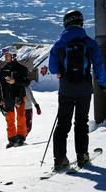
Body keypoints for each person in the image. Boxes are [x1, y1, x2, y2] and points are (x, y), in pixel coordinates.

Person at [48, 10, 106, 171]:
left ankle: (59, 159)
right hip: (84, 89)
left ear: (65, 23)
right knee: (81, 122)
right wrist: (103, 83)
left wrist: (61, 70)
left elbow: (52, 68)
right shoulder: (89, 42)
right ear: (81, 23)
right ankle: (82, 155)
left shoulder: (59, 44)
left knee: (63, 124)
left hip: (66, 88)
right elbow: (99, 66)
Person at [0, 47, 30, 148]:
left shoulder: (22, 69)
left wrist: (15, 81)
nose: (5, 57)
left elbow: (26, 82)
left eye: (7, 55)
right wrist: (0, 99)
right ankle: (12, 139)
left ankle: (21, 138)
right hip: (7, 97)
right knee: (9, 118)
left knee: (21, 117)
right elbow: (0, 86)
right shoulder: (3, 70)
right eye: (5, 56)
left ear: (14, 56)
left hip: (19, 96)